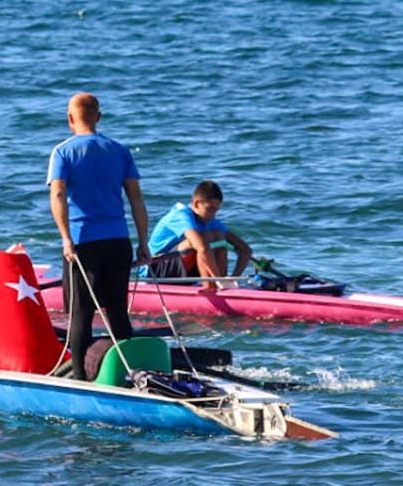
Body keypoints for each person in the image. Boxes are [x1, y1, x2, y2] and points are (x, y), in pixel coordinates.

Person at [47, 92, 150, 380]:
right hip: (118, 240)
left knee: (81, 314)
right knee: (117, 311)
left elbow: (58, 194)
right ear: (99, 117)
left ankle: (81, 378)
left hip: (83, 242)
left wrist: (66, 238)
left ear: (70, 118)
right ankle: (128, 374)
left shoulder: (63, 152)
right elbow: (136, 199)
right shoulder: (119, 150)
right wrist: (143, 242)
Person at [146, 180, 253, 288]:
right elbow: (202, 247)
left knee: (219, 237)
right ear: (197, 204)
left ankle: (221, 287)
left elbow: (245, 249)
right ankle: (211, 286)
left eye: (216, 211)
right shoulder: (180, 216)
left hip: (178, 268)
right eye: (210, 209)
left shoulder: (210, 220)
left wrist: (233, 278)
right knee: (201, 241)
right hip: (154, 270)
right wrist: (218, 279)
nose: (213, 215)